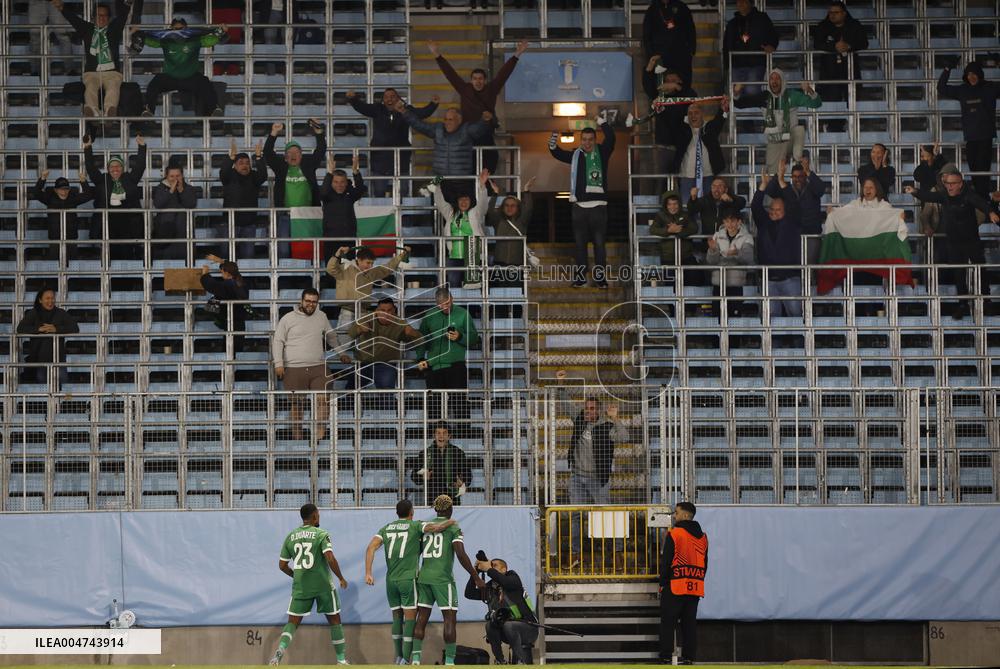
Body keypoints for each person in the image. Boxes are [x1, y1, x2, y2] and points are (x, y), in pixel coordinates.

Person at [364, 499, 456, 666]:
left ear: (397, 513)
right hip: (408, 578)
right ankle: (406, 659)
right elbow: (436, 528)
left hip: (390, 580)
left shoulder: (386, 528)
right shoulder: (415, 526)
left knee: (396, 617)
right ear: (411, 512)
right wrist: (451, 521)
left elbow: (370, 547)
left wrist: (368, 572)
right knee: (410, 618)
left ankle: (398, 656)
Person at [555, 373, 630, 569]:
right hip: (577, 478)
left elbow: (624, 437)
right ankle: (576, 556)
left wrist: (616, 419)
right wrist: (561, 383)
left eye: (592, 409)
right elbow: (565, 403)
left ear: (599, 411)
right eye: (586, 408)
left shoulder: (606, 426)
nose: (588, 411)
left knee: (606, 516)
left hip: (599, 480)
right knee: (575, 517)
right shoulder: (579, 419)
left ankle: (616, 555)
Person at [904, 166, 1000, 319]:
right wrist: (914, 191)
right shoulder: (943, 195)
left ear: (961, 183)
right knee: (958, 274)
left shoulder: (968, 195)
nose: (949, 186)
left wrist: (991, 212)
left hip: (971, 241)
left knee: (981, 271)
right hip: (954, 243)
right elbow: (928, 196)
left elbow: (981, 203)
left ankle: (986, 302)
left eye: (953, 183)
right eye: (947, 183)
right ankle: (963, 305)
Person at [428, 39, 529, 174]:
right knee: (466, 165)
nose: (478, 81)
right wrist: (436, 54)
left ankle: (487, 186)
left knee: (490, 160)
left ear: (485, 80)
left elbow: (504, 73)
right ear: (471, 80)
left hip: (486, 133)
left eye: (480, 78)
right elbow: (450, 73)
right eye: (475, 78)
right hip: (468, 133)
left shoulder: (492, 89)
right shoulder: (464, 89)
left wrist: (517, 54)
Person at [268, 503, 349, 666]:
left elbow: (282, 565)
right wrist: (340, 577)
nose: (319, 517)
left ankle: (279, 653)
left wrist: (295, 575)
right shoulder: (321, 534)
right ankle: (341, 660)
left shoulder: (291, 536)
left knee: (292, 622)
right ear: (313, 516)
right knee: (334, 620)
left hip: (301, 587)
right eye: (318, 515)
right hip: (323, 586)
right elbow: (330, 557)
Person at [410, 494, 486, 666]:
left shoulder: (425, 527)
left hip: (424, 578)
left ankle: (415, 660)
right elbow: (460, 554)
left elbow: (417, 552)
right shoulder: (453, 528)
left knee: (421, 618)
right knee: (449, 619)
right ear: (450, 509)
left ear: (436, 509)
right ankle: (450, 662)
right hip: (443, 580)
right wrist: (475, 577)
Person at [548, 114, 616, 288]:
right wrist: (554, 137)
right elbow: (557, 152)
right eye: (584, 139)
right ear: (580, 140)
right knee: (580, 245)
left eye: (590, 139)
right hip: (579, 206)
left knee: (599, 245)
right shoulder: (576, 155)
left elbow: (612, 137)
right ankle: (580, 277)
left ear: (595, 140)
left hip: (599, 207)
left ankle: (600, 279)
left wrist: (602, 122)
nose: (587, 143)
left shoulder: (603, 151)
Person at [271, 288, 338, 440]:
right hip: (294, 367)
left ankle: (319, 437)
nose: (311, 304)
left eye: (314, 302)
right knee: (297, 403)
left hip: (318, 366)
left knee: (323, 400)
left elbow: (331, 337)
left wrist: (342, 353)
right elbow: (278, 341)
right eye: (308, 301)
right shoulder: (288, 318)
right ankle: (298, 438)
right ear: (301, 300)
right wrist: (278, 363)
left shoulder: (322, 316)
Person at [347, 89, 438, 197]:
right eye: (386, 97)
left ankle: (402, 213)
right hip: (379, 159)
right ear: (383, 100)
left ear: (398, 98)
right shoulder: (377, 109)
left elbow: (422, 113)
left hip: (401, 158)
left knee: (403, 191)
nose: (389, 99)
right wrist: (353, 99)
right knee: (379, 192)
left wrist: (433, 104)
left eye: (393, 96)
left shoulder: (406, 110)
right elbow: (362, 107)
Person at [397, 100, 492, 204]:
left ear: (459, 120)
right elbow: (420, 125)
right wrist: (405, 112)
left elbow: (478, 129)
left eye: (451, 119)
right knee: (436, 211)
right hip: (439, 178)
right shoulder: (438, 129)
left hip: (461, 180)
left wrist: (485, 120)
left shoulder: (466, 130)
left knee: (461, 213)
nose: (447, 122)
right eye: (446, 119)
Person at [326, 245, 410, 362]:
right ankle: (340, 371)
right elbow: (330, 269)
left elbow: (388, 268)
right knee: (342, 345)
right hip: (347, 310)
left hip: (363, 312)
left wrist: (402, 255)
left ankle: (361, 369)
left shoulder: (371, 272)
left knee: (364, 346)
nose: (370, 266)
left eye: (371, 263)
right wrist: (337, 253)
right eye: (367, 263)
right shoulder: (345, 268)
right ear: (358, 260)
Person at [733, 69, 821, 175]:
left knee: (799, 130)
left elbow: (816, 103)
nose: (774, 81)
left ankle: (799, 161)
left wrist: (810, 90)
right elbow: (739, 104)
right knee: (772, 175)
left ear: (783, 81)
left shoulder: (792, 95)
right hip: (775, 140)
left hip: (791, 138)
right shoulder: (764, 97)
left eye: (777, 78)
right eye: (771, 79)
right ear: (769, 82)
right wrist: (736, 92)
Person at [52, 0, 130, 117]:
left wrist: (128, 3)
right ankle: (92, 111)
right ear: (93, 17)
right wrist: (62, 8)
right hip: (92, 73)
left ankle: (110, 111)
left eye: (104, 15)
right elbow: (74, 20)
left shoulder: (114, 29)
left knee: (113, 87)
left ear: (109, 18)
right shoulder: (87, 29)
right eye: (98, 15)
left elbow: (123, 16)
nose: (101, 18)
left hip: (112, 73)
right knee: (90, 88)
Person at [137, 18, 228, 117]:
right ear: (171, 29)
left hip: (191, 77)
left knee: (205, 83)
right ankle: (149, 109)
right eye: (175, 28)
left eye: (181, 28)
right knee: (154, 84)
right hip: (170, 77)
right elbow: (151, 42)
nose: (178, 31)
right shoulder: (166, 41)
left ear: (186, 29)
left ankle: (214, 109)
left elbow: (210, 40)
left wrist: (221, 31)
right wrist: (137, 33)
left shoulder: (195, 40)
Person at [263, 119, 327, 258]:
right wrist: (274, 133)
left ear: (301, 155)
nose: (293, 155)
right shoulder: (281, 167)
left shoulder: (309, 164)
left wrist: (318, 132)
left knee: (307, 249)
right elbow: (267, 153)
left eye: (296, 152)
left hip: (307, 215)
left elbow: (321, 150)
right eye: (289, 153)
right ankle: (286, 278)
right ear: (285, 157)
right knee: (284, 250)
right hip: (285, 215)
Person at [937, 61, 1000, 197]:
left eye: (974, 74)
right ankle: (979, 202)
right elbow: (941, 88)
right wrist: (947, 68)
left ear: (979, 74)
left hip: (985, 138)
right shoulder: (962, 90)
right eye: (969, 74)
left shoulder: (990, 87)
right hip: (970, 138)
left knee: (983, 173)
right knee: (974, 173)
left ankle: (984, 202)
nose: (972, 77)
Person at [416, 287, 480, 419]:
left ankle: (464, 434)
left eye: (448, 303)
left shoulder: (463, 314)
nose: (446, 307)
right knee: (434, 405)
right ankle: (434, 436)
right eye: (442, 305)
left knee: (460, 404)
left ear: (452, 299)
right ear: (436, 303)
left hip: (455, 366)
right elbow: (421, 339)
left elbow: (474, 338)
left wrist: (460, 337)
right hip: (434, 366)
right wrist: (420, 358)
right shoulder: (429, 316)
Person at [465, 553, 538, 665]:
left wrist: (488, 569)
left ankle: (519, 661)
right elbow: (469, 594)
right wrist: (476, 572)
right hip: (506, 631)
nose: (490, 567)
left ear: (504, 569)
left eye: (494, 566)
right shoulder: (490, 587)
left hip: (528, 628)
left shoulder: (513, 578)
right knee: (489, 625)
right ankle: (500, 660)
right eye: (490, 565)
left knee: (509, 625)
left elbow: (505, 582)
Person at [658, 501, 708, 665]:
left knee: (668, 623)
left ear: (685, 515)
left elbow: (666, 561)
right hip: (695, 586)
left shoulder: (675, 533)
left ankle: (666, 656)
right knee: (689, 625)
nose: (674, 515)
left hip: (675, 585)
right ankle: (688, 657)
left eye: (677, 513)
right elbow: (704, 563)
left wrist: (663, 583)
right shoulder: (703, 537)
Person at [83, 132, 146, 260]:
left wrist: (142, 147)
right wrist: (88, 147)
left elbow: (140, 166)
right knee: (108, 258)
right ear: (108, 168)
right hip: (107, 227)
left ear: (122, 168)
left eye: (118, 166)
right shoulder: (102, 179)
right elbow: (90, 167)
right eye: (112, 166)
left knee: (127, 256)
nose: (115, 169)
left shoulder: (130, 178)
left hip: (128, 227)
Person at [752, 172, 802, 317]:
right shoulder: (763, 223)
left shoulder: (793, 223)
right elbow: (756, 206)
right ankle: (774, 342)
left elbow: (794, 203)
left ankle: (799, 341)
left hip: (790, 278)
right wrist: (763, 186)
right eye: (772, 210)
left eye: (778, 210)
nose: (774, 212)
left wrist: (781, 181)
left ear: (785, 211)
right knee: (770, 319)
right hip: (768, 279)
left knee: (796, 317)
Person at [431, 170, 490, 289]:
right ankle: (456, 306)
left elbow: (483, 204)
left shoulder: (475, 213)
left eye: (466, 199)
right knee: (453, 286)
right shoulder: (450, 213)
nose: (463, 202)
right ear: (457, 202)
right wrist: (436, 186)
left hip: (472, 255)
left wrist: (482, 186)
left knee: (474, 287)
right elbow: (440, 202)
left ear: (471, 201)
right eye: (461, 200)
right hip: (454, 256)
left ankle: (472, 307)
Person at [348, 297, 420, 390]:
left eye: (389, 310)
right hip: (364, 363)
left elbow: (415, 340)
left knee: (386, 394)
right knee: (350, 390)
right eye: (382, 310)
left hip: (386, 364)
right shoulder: (367, 318)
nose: (386, 313)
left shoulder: (400, 322)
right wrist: (360, 329)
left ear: (394, 310)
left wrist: (413, 333)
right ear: (377, 310)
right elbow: (351, 333)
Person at [766, 155, 827, 263]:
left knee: (811, 267)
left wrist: (808, 171)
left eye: (800, 176)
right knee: (794, 265)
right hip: (791, 234)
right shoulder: (786, 188)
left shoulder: (812, 188)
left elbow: (821, 189)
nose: (797, 179)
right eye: (794, 176)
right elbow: (770, 191)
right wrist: (778, 174)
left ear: (805, 176)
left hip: (811, 234)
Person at [16, 288, 79, 386]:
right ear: (40, 300)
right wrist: (38, 329)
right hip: (39, 359)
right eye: (47, 298)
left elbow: (75, 328)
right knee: (43, 385)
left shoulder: (61, 313)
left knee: (62, 383)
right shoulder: (34, 313)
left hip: (59, 359)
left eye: (52, 298)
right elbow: (20, 329)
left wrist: (56, 329)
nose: (50, 301)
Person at [670, 100, 729, 203]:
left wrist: (723, 109)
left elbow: (719, 121)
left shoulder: (709, 128)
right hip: (687, 176)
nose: (693, 116)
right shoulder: (682, 129)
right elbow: (668, 120)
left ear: (702, 114)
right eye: (690, 113)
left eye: (696, 112)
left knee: (708, 206)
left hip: (708, 175)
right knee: (687, 206)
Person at [29, 168, 93, 262]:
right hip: (55, 238)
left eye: (66, 188)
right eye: (61, 189)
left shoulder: (73, 198)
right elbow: (35, 193)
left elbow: (88, 195)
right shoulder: (49, 198)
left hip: (71, 237)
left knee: (72, 264)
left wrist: (83, 181)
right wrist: (42, 178)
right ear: (55, 190)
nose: (64, 191)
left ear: (69, 189)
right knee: (55, 263)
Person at [812, 1, 868, 103]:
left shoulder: (854, 25)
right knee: (831, 102)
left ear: (844, 13)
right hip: (829, 71)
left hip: (851, 70)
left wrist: (848, 46)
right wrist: (834, 46)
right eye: (830, 13)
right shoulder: (822, 26)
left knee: (853, 102)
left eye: (836, 12)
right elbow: (817, 44)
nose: (832, 15)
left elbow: (864, 43)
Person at [220, 139, 267, 260]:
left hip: (249, 224)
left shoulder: (254, 176)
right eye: (241, 163)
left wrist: (258, 157)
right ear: (234, 166)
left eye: (247, 163)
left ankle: (247, 279)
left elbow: (263, 175)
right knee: (226, 255)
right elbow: (223, 171)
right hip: (230, 223)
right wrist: (231, 157)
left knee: (248, 256)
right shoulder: (229, 176)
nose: (245, 165)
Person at [722, 0, 779, 96]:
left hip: (756, 63)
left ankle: (755, 110)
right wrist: (727, 66)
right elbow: (726, 46)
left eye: (744, 1)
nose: (740, 3)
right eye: (738, 1)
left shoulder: (762, 19)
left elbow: (773, 35)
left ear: (750, 3)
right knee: (736, 94)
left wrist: (772, 45)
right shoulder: (732, 24)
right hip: (736, 64)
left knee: (752, 91)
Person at [706, 208, 755, 318]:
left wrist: (736, 253)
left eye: (733, 221)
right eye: (727, 221)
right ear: (723, 222)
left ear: (739, 222)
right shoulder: (717, 236)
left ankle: (736, 336)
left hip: (736, 285)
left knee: (734, 318)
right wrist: (713, 250)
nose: (730, 224)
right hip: (718, 284)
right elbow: (711, 261)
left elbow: (748, 258)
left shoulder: (747, 237)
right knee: (717, 317)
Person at [642, 0, 696, 98]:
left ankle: (682, 111)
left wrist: (692, 50)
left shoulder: (682, 7)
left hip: (681, 56)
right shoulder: (652, 10)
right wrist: (651, 55)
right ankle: (659, 111)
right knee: (656, 90)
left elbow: (690, 29)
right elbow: (647, 35)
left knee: (684, 90)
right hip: (659, 58)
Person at [411, 422, 473, 507]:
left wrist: (462, 482)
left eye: (444, 433)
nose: (441, 436)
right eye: (438, 433)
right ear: (434, 435)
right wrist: (422, 477)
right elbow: (413, 476)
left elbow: (468, 475)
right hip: (432, 500)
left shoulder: (458, 453)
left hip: (452, 500)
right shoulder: (424, 454)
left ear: (449, 436)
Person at [486, 176, 535, 281]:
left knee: (516, 293)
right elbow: (490, 210)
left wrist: (526, 191)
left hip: (517, 264)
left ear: (518, 208)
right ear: (502, 208)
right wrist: (496, 194)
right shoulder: (498, 221)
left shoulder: (522, 221)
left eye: (513, 205)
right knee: (499, 293)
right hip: (499, 263)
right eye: (507, 205)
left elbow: (528, 209)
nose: (509, 208)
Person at [320, 152, 366, 260]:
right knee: (331, 271)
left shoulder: (350, 195)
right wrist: (330, 173)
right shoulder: (327, 195)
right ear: (331, 182)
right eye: (335, 182)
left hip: (349, 239)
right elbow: (323, 192)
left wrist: (355, 172)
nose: (339, 185)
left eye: (342, 182)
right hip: (330, 239)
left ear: (346, 183)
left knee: (349, 271)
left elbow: (360, 190)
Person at [151, 164, 201, 260]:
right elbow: (158, 204)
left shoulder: (189, 189)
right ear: (166, 176)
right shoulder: (160, 188)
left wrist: (181, 190)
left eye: (178, 176)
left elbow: (191, 204)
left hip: (184, 231)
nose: (175, 179)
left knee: (185, 259)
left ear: (182, 176)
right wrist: (170, 191)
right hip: (165, 230)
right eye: (172, 176)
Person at [200, 257, 250, 353]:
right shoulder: (241, 282)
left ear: (227, 273)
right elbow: (234, 270)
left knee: (230, 351)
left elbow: (211, 285)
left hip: (232, 322)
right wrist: (222, 261)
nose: (221, 274)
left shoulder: (228, 285)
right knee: (236, 349)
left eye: (222, 272)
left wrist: (205, 274)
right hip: (239, 323)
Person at [688, 177, 747, 242]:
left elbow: (742, 203)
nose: (716, 189)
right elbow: (692, 209)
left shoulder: (731, 198)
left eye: (720, 186)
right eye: (714, 186)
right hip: (709, 240)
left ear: (726, 189)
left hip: (728, 240)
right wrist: (693, 198)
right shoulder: (704, 200)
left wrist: (730, 200)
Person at [650, 191, 697, 270]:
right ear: (666, 205)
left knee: (691, 281)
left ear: (679, 204)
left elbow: (694, 228)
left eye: (675, 204)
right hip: (667, 256)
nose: (672, 207)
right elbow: (653, 229)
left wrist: (680, 231)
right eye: (669, 204)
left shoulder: (685, 215)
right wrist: (668, 230)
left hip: (686, 255)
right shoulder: (660, 215)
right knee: (670, 281)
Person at [913, 143, 947, 239]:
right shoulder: (922, 167)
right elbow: (917, 176)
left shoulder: (939, 165)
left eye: (924, 155)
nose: (922, 157)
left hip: (942, 201)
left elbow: (948, 169)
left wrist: (937, 155)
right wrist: (926, 162)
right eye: (922, 155)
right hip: (928, 201)